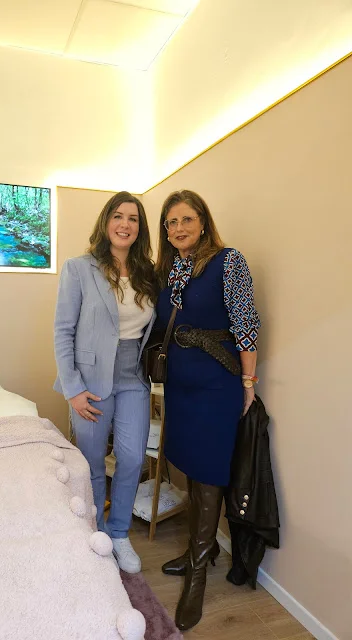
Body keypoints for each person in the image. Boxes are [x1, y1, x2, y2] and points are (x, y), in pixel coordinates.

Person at [154, 190, 261, 630]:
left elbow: (246, 323)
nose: (179, 228)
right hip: (180, 386)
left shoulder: (228, 261)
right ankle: (205, 547)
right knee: (193, 469)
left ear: (203, 222)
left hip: (217, 384)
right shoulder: (170, 270)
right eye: (171, 222)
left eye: (187, 219)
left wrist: (248, 382)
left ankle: (198, 573)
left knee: (212, 471)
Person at [54, 191, 158, 573]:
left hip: (133, 376)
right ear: (106, 222)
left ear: (140, 228)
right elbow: (63, 331)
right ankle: (95, 531)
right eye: (118, 216)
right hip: (90, 380)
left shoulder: (149, 273)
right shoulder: (78, 268)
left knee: (132, 458)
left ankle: (119, 533)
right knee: (92, 461)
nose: (125, 224)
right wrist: (73, 389)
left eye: (133, 218)